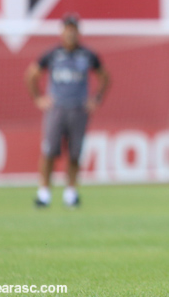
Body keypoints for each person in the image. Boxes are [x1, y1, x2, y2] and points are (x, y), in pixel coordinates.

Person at [25, 14, 110, 208]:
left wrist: (96, 99)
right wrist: (38, 98)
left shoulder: (88, 55)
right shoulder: (53, 54)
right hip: (57, 109)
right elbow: (31, 74)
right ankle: (43, 193)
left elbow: (105, 76)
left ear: (78, 32)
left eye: (74, 29)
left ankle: (71, 193)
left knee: (74, 153)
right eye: (67, 29)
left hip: (79, 109)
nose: (70, 33)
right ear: (62, 31)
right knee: (49, 152)